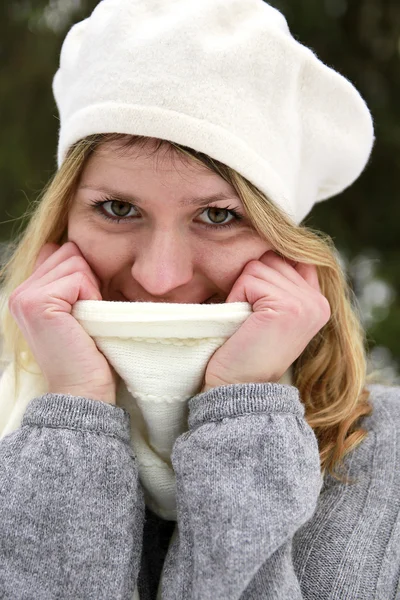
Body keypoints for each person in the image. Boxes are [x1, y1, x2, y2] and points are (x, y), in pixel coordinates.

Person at [0, 0, 398, 599]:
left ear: (283, 249)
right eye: (118, 209)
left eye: (218, 215)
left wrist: (245, 408)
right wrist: (75, 413)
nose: (160, 278)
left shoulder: (389, 461)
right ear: (61, 227)